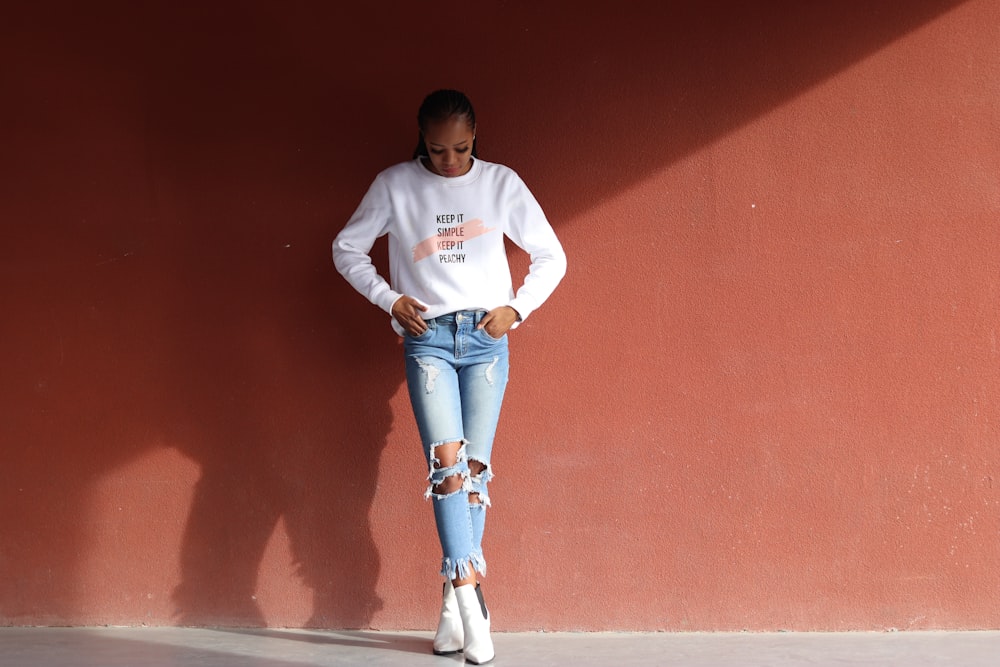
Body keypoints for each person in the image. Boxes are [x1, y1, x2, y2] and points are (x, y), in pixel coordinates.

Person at [332, 89, 566, 664]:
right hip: (428, 340)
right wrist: (389, 299)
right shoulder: (394, 184)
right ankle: (470, 601)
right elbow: (347, 249)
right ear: (422, 140)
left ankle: (447, 609)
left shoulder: (500, 183)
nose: (451, 161)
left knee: (476, 471)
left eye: (461, 148)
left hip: (487, 340)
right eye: (438, 150)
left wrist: (518, 308)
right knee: (447, 465)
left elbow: (550, 255)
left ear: (476, 135)